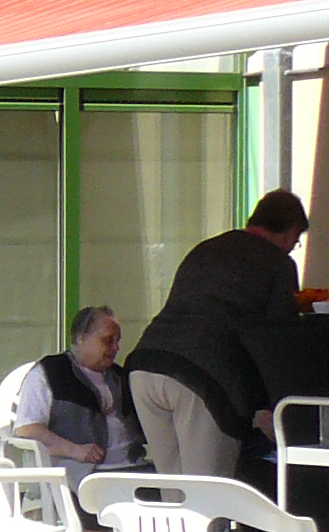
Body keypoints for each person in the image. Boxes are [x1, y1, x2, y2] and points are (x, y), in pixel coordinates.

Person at [124, 189, 310, 476]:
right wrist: (275, 402)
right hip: (205, 378)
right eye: (295, 240)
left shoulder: (206, 248)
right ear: (289, 232)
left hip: (146, 366)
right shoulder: (277, 263)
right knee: (209, 499)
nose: (292, 246)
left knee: (174, 494)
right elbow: (278, 336)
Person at [12, 306, 148, 494]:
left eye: (117, 341)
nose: (115, 348)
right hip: (83, 476)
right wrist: (74, 450)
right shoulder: (50, 373)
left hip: (135, 470)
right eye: (107, 340)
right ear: (80, 337)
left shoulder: (119, 376)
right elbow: (26, 429)